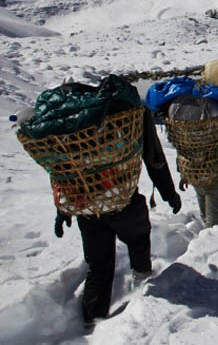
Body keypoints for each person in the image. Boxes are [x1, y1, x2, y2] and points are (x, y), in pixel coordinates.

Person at [49, 77, 181, 325]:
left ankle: (91, 321)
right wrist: (168, 193)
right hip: (124, 202)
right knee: (139, 243)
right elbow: (153, 157)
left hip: (86, 207)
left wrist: (63, 210)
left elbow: (61, 174)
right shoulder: (126, 115)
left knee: (99, 266)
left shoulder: (66, 130)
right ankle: (145, 296)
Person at [168, 94, 218, 228]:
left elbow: (183, 150)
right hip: (214, 176)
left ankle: (208, 239)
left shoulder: (185, 127)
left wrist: (184, 175)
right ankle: (214, 243)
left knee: (206, 214)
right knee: (213, 220)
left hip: (194, 174)